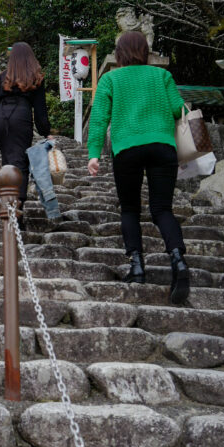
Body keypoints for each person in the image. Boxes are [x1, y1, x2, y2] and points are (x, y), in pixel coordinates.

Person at [87, 30, 189, 303]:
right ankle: (178, 261)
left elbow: (99, 119)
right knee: (162, 209)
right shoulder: (162, 76)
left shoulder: (110, 78)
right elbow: (179, 109)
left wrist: (94, 154)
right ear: (145, 52)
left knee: (130, 208)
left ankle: (137, 267)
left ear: (119, 53)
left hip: (127, 148)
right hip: (162, 146)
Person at [0, 41, 54, 217]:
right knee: (20, 161)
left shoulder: (2, 77)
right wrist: (46, 132)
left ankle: (7, 201)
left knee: (8, 158)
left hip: (0, 118)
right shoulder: (36, 78)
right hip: (21, 118)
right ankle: (15, 207)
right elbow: (40, 110)